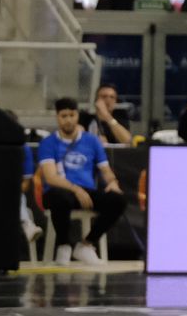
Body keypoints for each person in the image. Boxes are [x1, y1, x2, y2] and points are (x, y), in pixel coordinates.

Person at [37, 98, 126, 264]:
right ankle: (64, 245)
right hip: (59, 191)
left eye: (72, 115)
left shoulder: (91, 141)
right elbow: (50, 177)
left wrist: (113, 182)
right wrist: (76, 190)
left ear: (77, 115)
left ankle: (86, 244)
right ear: (57, 117)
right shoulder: (48, 143)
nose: (68, 120)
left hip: (87, 191)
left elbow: (105, 170)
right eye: (64, 116)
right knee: (60, 197)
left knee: (118, 200)